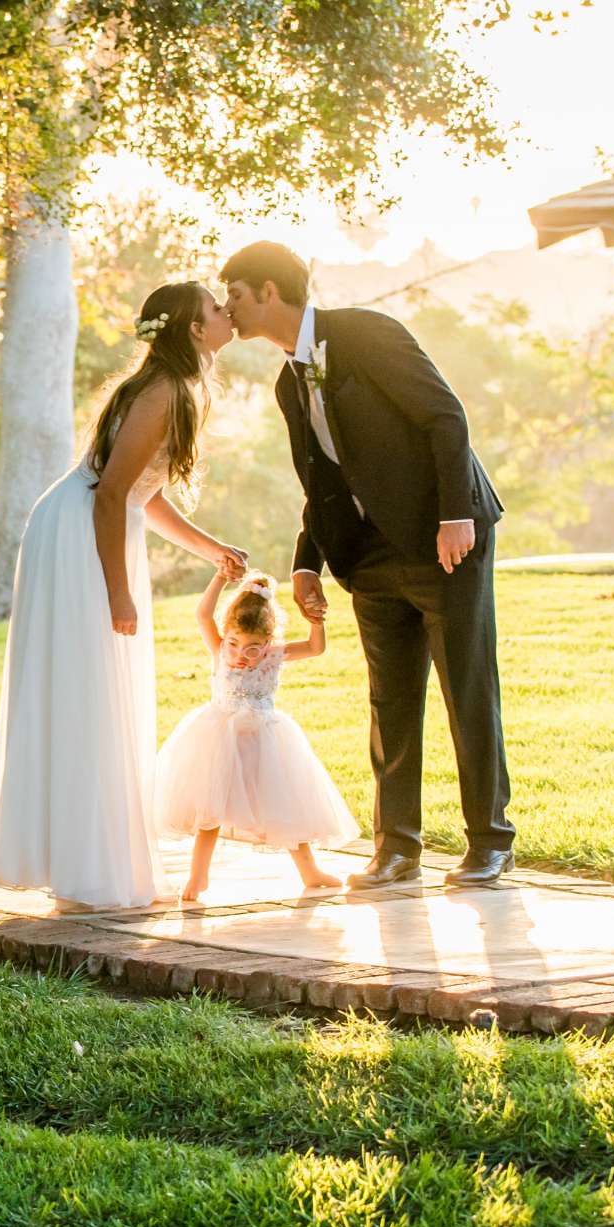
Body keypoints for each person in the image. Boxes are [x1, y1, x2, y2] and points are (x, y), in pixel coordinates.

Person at [220, 240, 516, 888]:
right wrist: (308, 563)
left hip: (447, 542)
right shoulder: (286, 383)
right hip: (370, 554)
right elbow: (321, 477)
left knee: (467, 691)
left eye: (235, 295)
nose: (228, 309)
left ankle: (490, 842)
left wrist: (455, 514)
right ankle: (397, 850)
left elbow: (444, 416)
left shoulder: (367, 333)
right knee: (390, 701)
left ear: (269, 291)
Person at [0, 282, 246, 910]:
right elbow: (109, 495)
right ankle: (90, 874)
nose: (226, 314)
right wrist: (118, 594)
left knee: (101, 692)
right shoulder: (161, 392)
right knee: (89, 690)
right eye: (215, 308)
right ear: (191, 328)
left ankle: (94, 866)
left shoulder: (177, 390)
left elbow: (140, 493)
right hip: (80, 537)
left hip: (95, 526)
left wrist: (210, 550)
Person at [153, 570, 356, 899]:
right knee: (211, 809)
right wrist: (219, 577)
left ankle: (310, 871)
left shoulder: (274, 657)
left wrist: (316, 618)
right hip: (219, 742)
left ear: (268, 642)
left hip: (265, 745)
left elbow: (315, 648)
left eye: (252, 649)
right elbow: (203, 614)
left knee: (285, 805)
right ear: (226, 635)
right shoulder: (219, 650)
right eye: (234, 644)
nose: (239, 655)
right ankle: (198, 876)